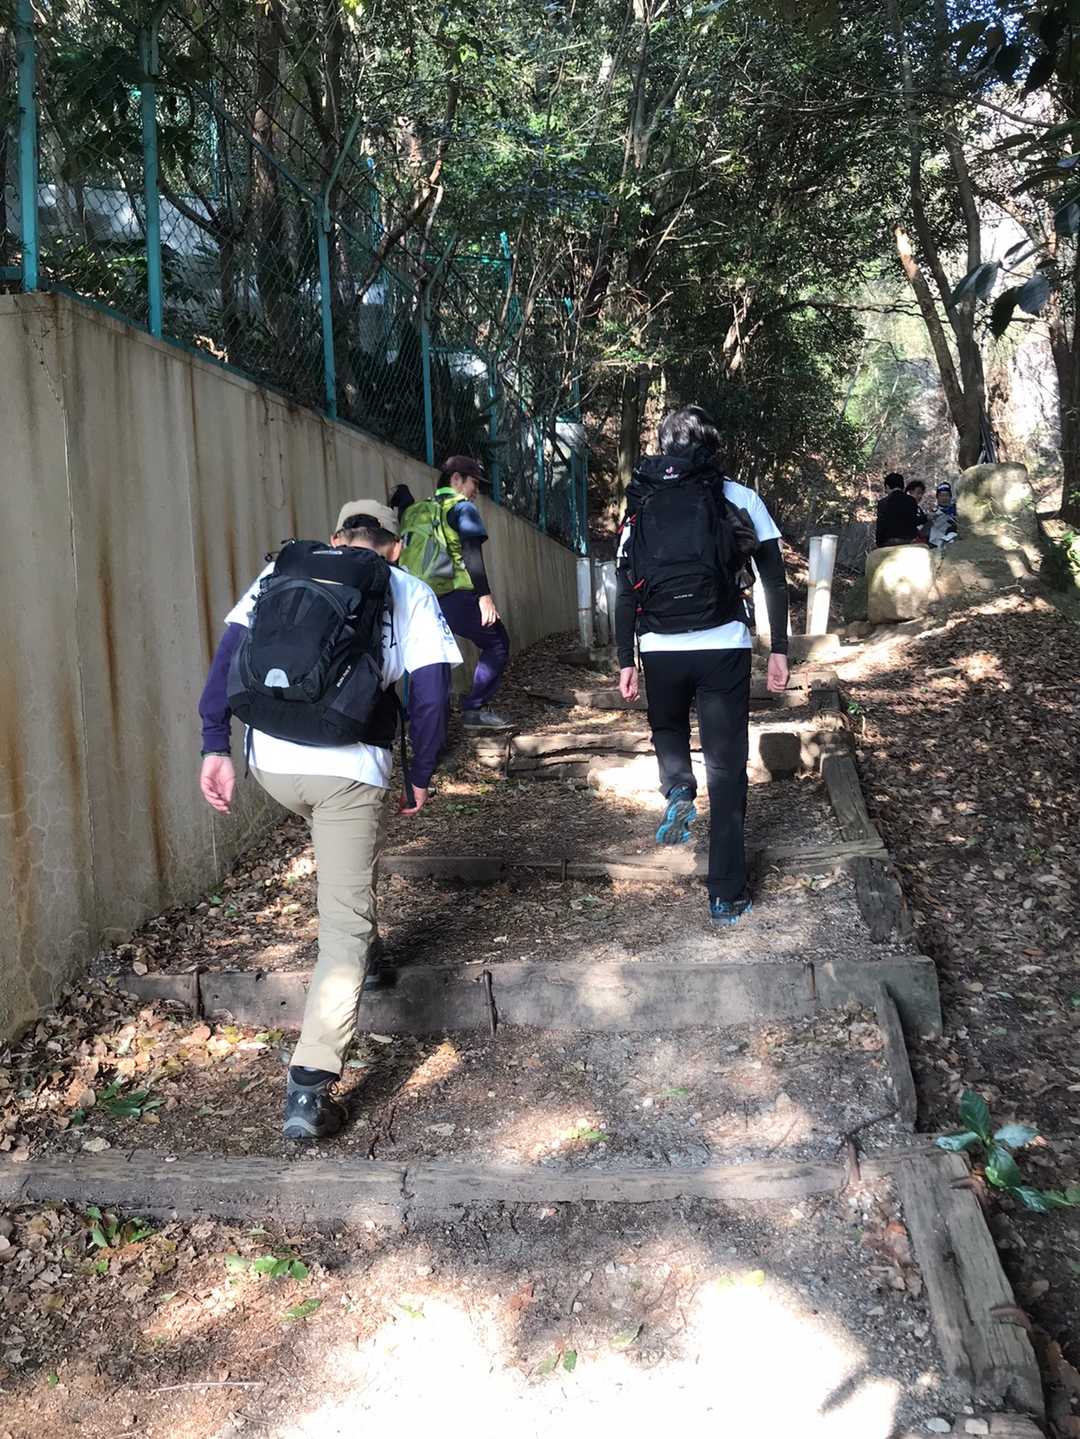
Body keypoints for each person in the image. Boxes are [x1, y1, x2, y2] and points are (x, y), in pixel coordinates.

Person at [197, 499, 463, 1140]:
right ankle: (309, 1087)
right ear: (394, 546)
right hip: (346, 768)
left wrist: (213, 744)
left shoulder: (284, 572)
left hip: (270, 763)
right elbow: (430, 694)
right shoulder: (408, 588)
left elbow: (229, 655)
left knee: (344, 872)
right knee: (342, 924)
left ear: (336, 538)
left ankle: (370, 953)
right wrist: (422, 771)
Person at [614, 406, 790, 927]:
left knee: (668, 727)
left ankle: (677, 786)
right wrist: (779, 649)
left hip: (659, 645)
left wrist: (625, 659)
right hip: (723, 644)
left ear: (663, 447)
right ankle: (726, 894)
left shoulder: (641, 500)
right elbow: (773, 579)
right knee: (727, 768)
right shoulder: (738, 497)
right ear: (712, 446)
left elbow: (624, 589)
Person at [391, 457, 511, 730]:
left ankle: (420, 723)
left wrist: (402, 494)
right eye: (474, 483)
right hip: (454, 595)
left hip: (416, 598)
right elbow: (471, 553)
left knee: (430, 659)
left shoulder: (416, 510)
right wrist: (485, 597)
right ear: (456, 479)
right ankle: (474, 710)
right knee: (498, 643)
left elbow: (404, 508)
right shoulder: (462, 508)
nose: (476, 491)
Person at [875, 471, 923, 548]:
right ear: (902, 486)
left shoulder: (883, 503)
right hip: (909, 542)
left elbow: (881, 527)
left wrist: (879, 544)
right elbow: (914, 521)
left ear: (887, 486)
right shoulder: (911, 500)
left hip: (889, 543)